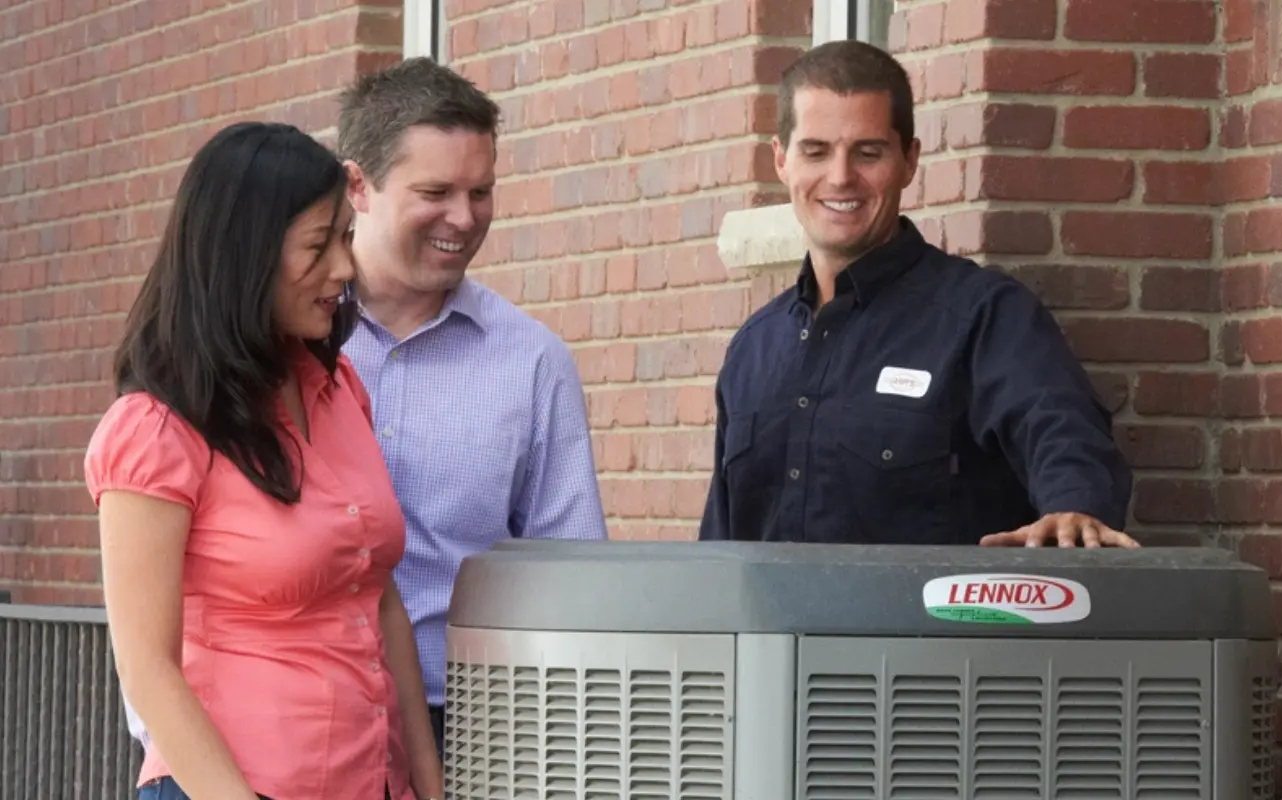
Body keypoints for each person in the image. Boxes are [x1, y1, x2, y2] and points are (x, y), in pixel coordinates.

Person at [86, 122, 443, 799]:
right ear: (244, 257)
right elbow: (147, 670)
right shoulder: (155, 431)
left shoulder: (341, 391)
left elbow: (379, 596)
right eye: (317, 246)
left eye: (345, 239)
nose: (344, 269)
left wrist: (427, 783)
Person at [697, 41, 1137, 549]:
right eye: (815, 151)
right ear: (781, 160)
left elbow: (1060, 429)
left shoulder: (984, 318)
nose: (840, 177)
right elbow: (719, 552)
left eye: (868, 153)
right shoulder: (752, 350)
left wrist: (1075, 508)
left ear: (909, 161)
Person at [333, 57, 609, 752]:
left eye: (480, 192)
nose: (464, 218)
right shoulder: (280, 341)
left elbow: (572, 581)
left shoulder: (533, 363)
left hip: (472, 729)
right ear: (357, 186)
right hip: (304, 724)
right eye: (436, 192)